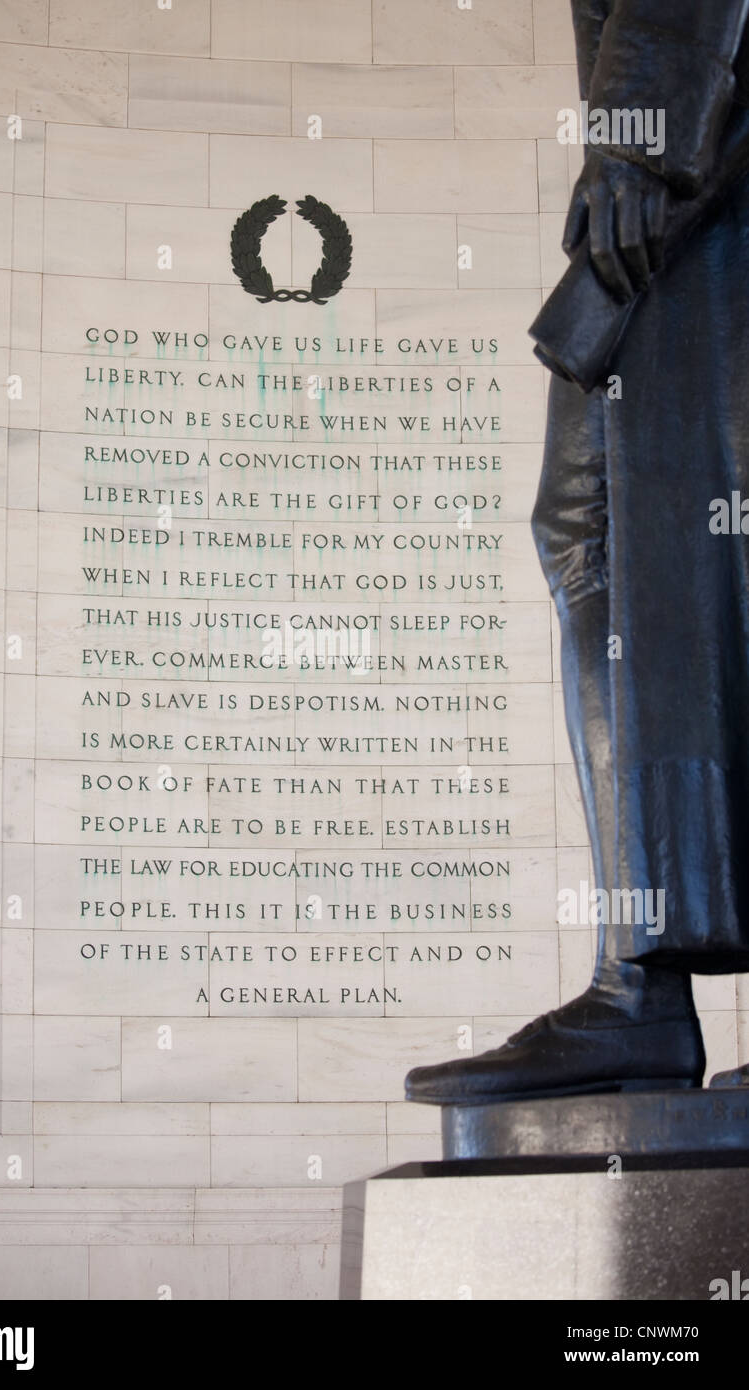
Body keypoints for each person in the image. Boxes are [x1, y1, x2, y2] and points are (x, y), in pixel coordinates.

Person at [407, 0, 749, 1104]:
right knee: (592, 530)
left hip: (694, 156)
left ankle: (634, 987)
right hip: (688, 157)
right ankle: (636, 983)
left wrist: (636, 141)